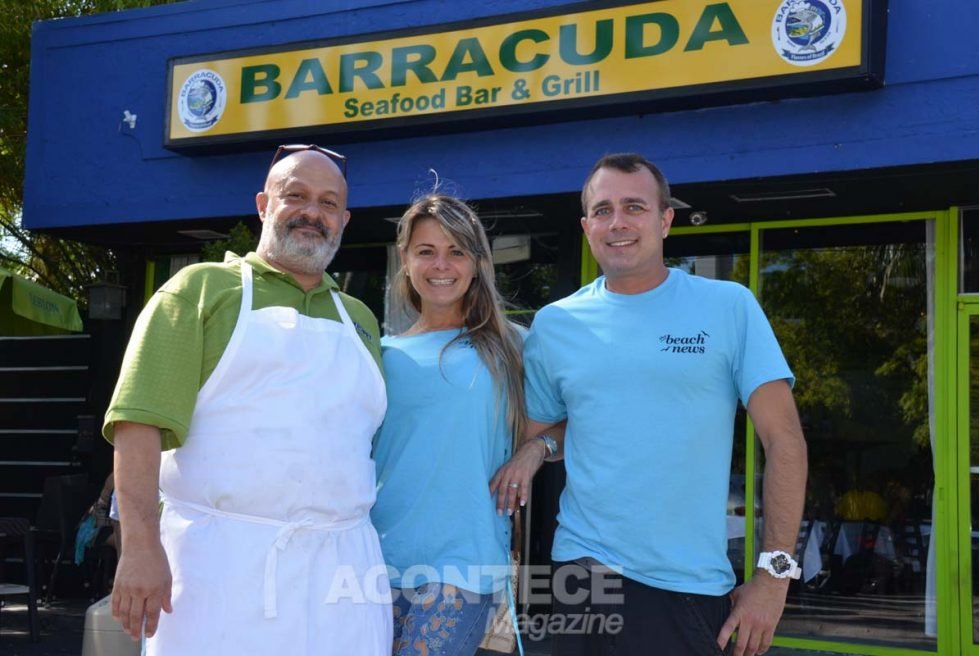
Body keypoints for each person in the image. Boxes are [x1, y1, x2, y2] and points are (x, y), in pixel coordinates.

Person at [501, 153, 808, 656]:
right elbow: (547, 432)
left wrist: (773, 579)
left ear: (665, 220)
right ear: (585, 226)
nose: (617, 223)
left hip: (683, 585)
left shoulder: (729, 307)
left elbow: (784, 440)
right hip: (580, 576)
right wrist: (536, 450)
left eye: (634, 207)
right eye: (602, 210)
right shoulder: (556, 324)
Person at [102, 145, 392, 655]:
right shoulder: (199, 290)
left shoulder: (361, 319)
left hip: (345, 571)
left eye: (328, 203)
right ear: (263, 204)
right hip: (219, 569)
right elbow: (136, 426)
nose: (312, 213)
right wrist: (141, 548)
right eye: (295, 196)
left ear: (344, 220)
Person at [371, 194, 554, 655]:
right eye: (426, 251)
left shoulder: (513, 347)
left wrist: (533, 452)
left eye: (457, 251)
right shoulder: (379, 354)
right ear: (406, 261)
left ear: (477, 264)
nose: (441, 265)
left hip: (464, 564)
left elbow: (579, 421)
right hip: (372, 558)